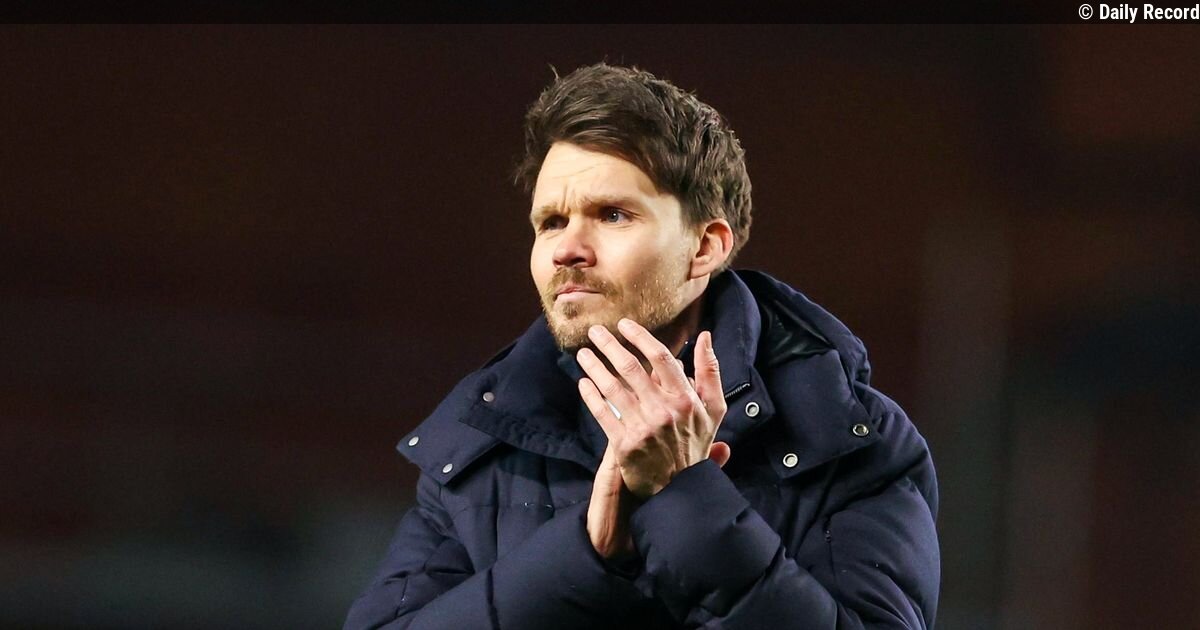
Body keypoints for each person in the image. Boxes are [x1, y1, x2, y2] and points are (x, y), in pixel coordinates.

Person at [344, 63, 940, 629]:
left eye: (612, 215)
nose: (567, 249)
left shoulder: (847, 436)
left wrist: (686, 495)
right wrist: (588, 553)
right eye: (551, 222)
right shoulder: (481, 445)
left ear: (704, 248)